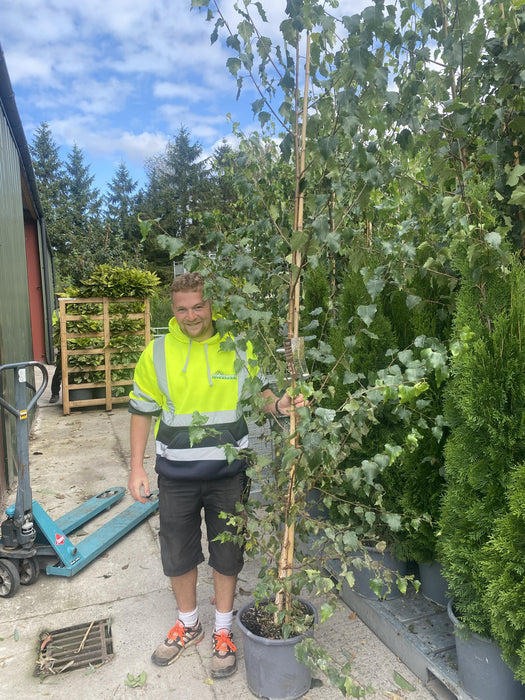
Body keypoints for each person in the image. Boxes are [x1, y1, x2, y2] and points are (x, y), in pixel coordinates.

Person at [128, 272, 306, 679]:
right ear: (172, 310)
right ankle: (188, 625)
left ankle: (223, 632)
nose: (192, 315)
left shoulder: (238, 348)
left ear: (212, 305)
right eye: (183, 308)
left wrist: (279, 405)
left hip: (229, 475)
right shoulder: (156, 354)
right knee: (177, 554)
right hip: (175, 476)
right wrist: (136, 466)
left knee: (227, 554)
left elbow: (261, 398)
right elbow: (141, 412)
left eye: (199, 306)